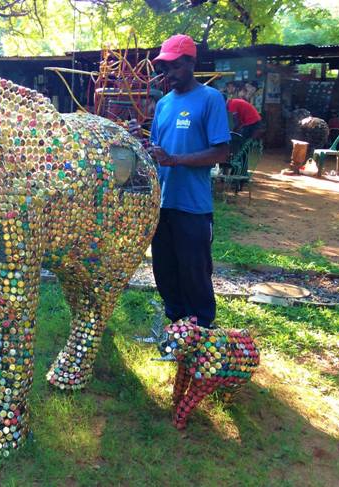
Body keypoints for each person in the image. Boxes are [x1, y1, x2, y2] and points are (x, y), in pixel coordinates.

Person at [130, 34, 230, 328]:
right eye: (164, 68)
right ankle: (176, 330)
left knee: (195, 273)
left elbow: (222, 152)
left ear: (190, 63)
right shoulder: (163, 105)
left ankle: (201, 333)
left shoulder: (210, 99)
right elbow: (157, 152)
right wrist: (141, 144)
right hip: (162, 204)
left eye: (174, 66)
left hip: (193, 207)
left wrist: (176, 159)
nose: (168, 74)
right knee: (165, 272)